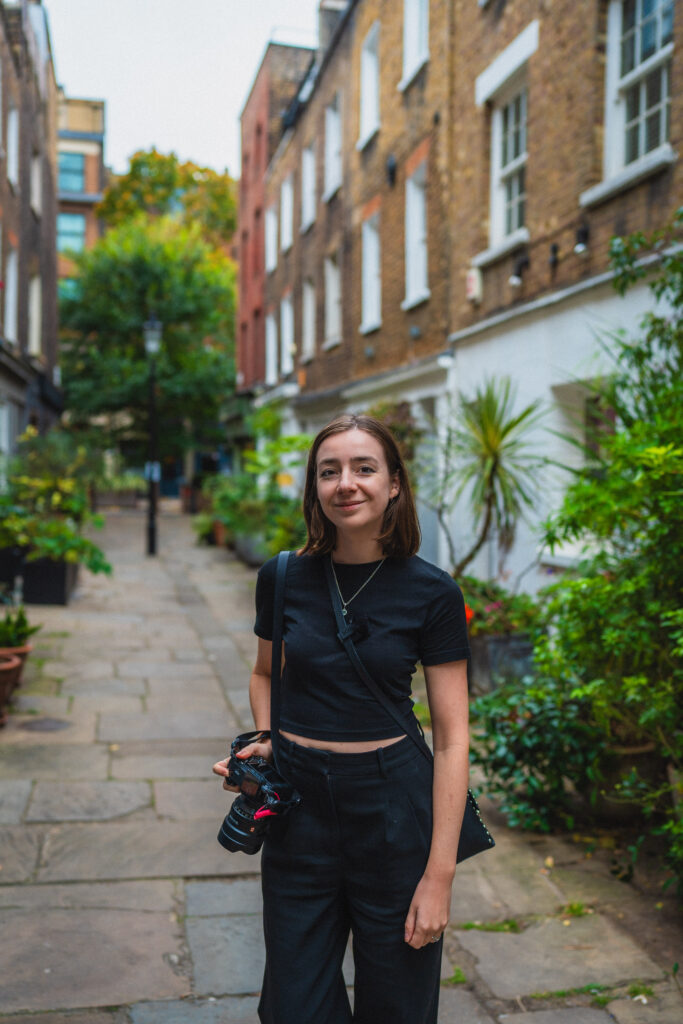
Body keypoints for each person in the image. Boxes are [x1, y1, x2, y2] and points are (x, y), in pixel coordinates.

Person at [213, 413, 470, 1024]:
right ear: (314, 487)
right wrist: (268, 740)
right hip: (299, 814)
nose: (345, 484)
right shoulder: (282, 576)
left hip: (392, 812)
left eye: (363, 468)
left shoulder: (432, 593)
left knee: (398, 1007)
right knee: (292, 1006)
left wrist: (439, 875)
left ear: (394, 484)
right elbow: (263, 674)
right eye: (329, 471)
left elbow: (454, 739)